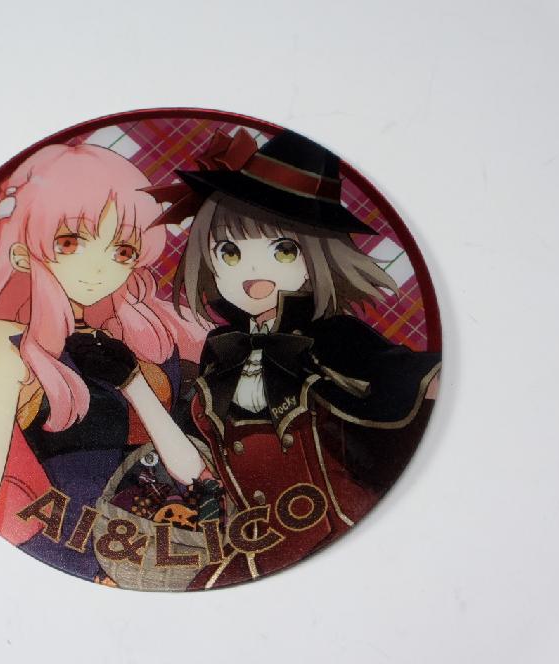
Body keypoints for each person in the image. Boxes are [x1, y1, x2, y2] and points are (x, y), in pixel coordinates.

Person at [144, 128, 442, 589]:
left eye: (282, 250)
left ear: (318, 256)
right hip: (253, 546)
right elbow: (197, 465)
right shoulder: (220, 349)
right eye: (230, 252)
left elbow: (406, 376)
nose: (253, 270)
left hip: (343, 539)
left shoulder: (336, 335)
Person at [0, 143, 206, 582]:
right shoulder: (2, 344)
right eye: (70, 242)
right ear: (22, 251)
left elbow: (193, 471)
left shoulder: (135, 338)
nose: (99, 268)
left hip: (159, 548)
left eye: (122, 251)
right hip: (62, 555)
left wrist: (133, 383)